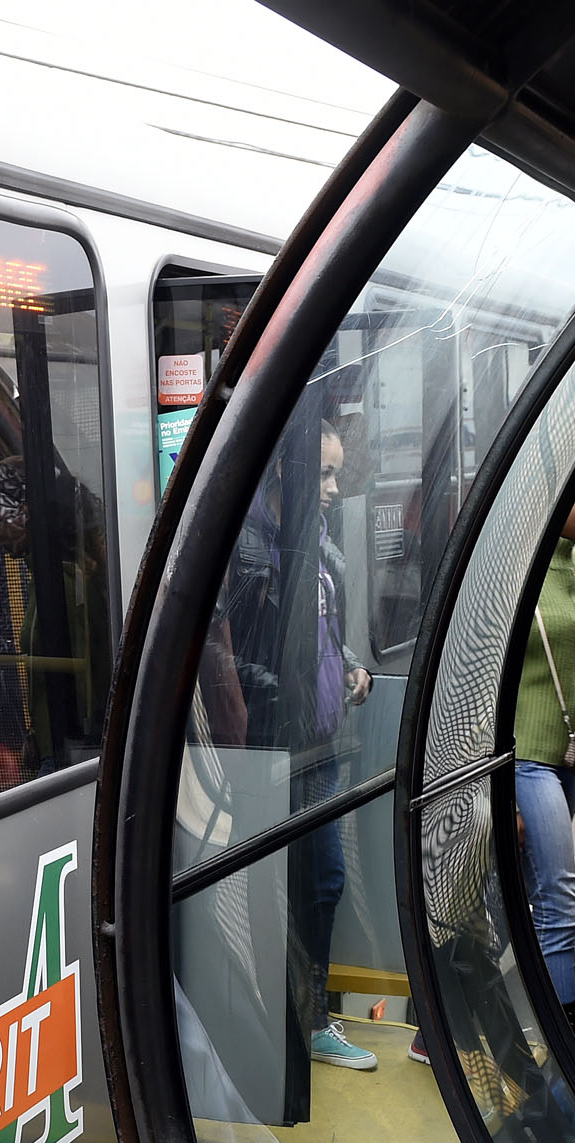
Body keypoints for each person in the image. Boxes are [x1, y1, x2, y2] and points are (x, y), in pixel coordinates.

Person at [226, 421, 373, 1073]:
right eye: (325, 475)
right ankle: (293, 1020)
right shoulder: (256, 549)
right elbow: (235, 658)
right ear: (287, 471)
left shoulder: (314, 543)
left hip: (319, 740)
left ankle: (308, 1014)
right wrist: (286, 694)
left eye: (338, 474)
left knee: (324, 882)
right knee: (290, 887)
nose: (337, 489)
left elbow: (322, 630)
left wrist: (350, 667)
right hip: (275, 748)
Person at [510, 443, 575, 1022]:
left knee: (525, 901)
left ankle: (455, 1014)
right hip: (523, 760)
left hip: (570, 760)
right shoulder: (516, 566)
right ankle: (567, 1031)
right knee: (559, 899)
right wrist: (494, 785)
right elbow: (480, 675)